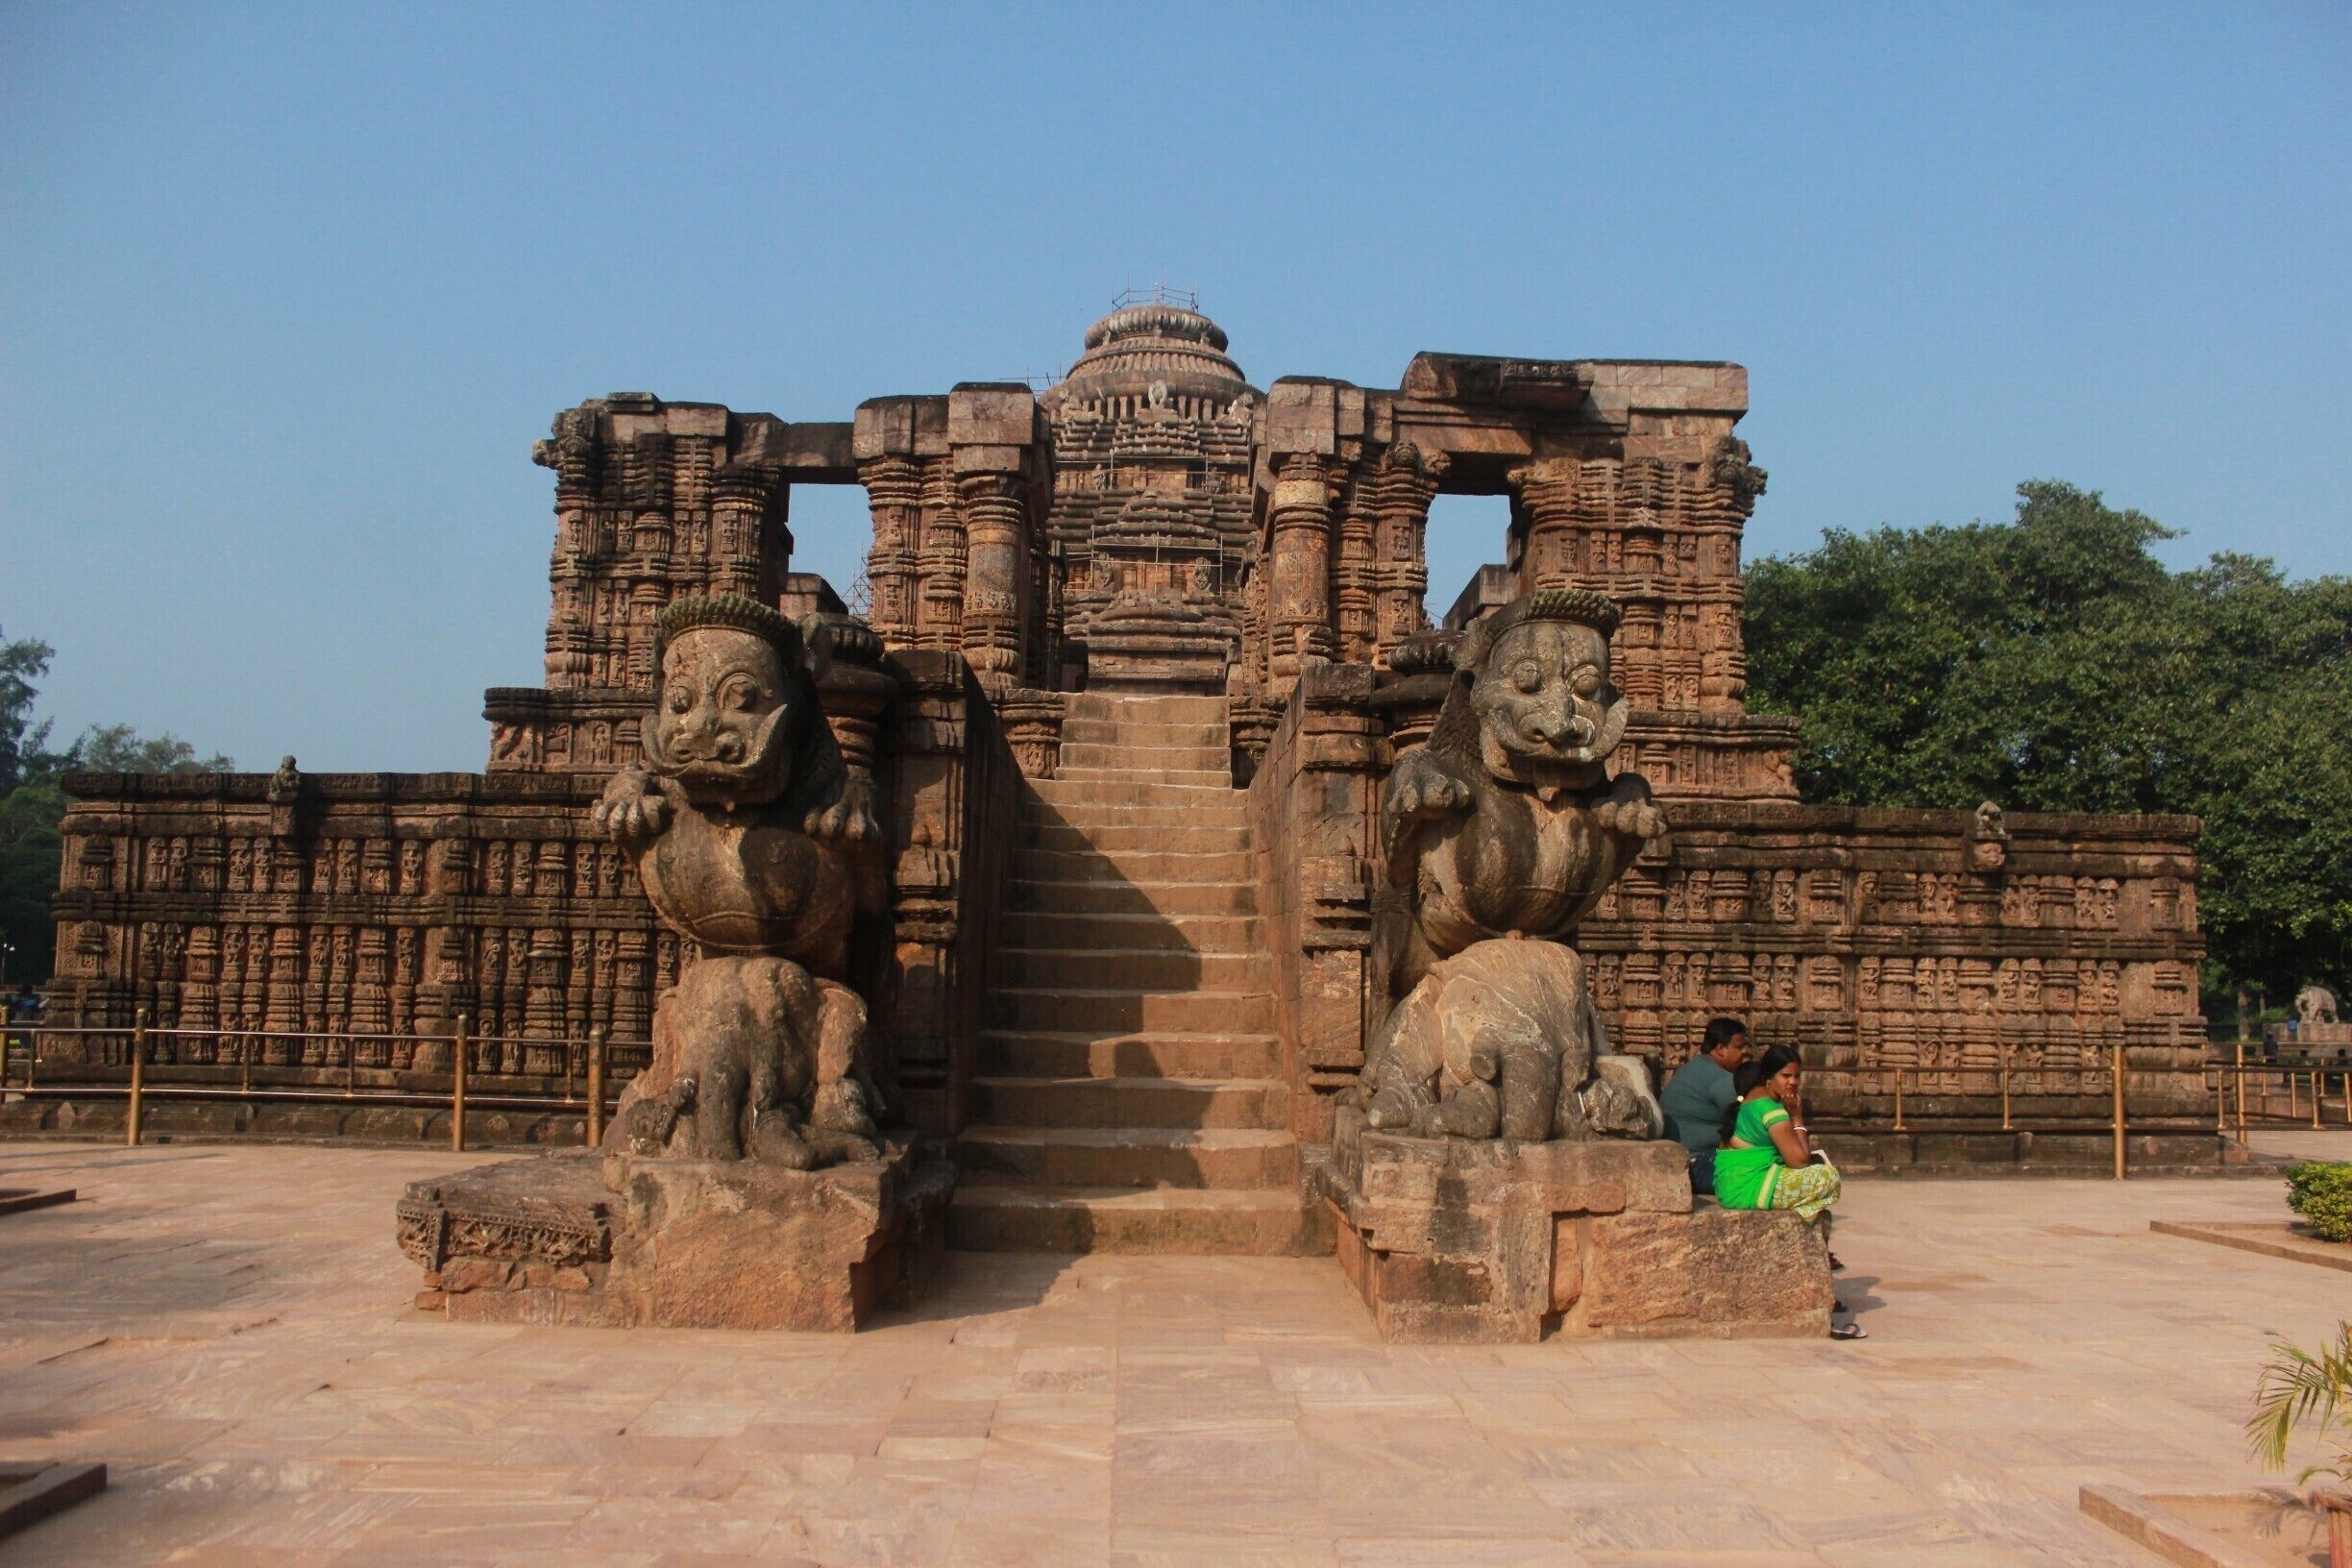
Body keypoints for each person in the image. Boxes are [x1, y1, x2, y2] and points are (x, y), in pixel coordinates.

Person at [1714, 1043, 1866, 1339]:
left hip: (1733, 1184)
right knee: (1828, 1178)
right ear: (1769, 1077)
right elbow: (1799, 1160)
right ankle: (1807, 1214)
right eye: (1786, 1076)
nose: (1793, 1083)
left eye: (1797, 1076)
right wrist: (1797, 1119)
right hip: (1751, 1187)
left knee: (1820, 1195)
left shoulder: (1752, 1099)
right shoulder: (1772, 1111)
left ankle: (1808, 1212)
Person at [1658, 1017, 1748, 1196]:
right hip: (1697, 1165)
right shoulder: (1720, 1078)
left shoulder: (1691, 1068)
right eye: (1739, 1047)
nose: (1745, 1053)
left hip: (1681, 1163)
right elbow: (1750, 1121)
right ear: (1721, 1049)